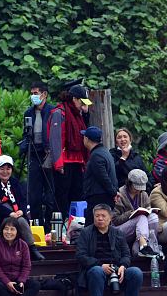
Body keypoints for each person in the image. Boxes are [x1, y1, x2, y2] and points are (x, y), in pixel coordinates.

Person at [74, 204, 144, 296]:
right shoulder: (86, 233)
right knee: (96, 271)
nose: (100, 218)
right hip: (95, 269)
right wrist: (100, 265)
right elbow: (81, 255)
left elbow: (126, 254)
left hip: (115, 269)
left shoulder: (118, 233)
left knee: (136, 272)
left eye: (103, 216)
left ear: (110, 218)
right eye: (97, 216)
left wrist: (123, 266)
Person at [0, 155, 44, 260]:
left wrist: (21, 211)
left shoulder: (14, 182)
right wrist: (9, 213)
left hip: (16, 215)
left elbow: (23, 199)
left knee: (22, 221)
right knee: (12, 222)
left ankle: (32, 249)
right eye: (2, 169)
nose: (5, 172)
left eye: (8, 169)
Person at [46, 84, 91, 217]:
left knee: (77, 195)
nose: (83, 105)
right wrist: (58, 164)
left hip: (77, 162)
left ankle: (75, 225)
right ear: (74, 99)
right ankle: (59, 228)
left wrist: (86, 114)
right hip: (64, 162)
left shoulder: (78, 115)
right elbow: (55, 140)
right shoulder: (59, 113)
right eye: (82, 102)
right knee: (61, 197)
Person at [21, 82, 57, 229]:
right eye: (32, 93)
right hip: (33, 153)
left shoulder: (52, 111)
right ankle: (36, 227)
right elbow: (25, 133)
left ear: (44, 94)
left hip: (48, 154)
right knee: (34, 194)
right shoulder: (28, 112)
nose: (33, 96)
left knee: (50, 194)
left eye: (36, 93)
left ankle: (49, 226)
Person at [0, 216, 40, 296]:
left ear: (17, 231)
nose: (9, 232)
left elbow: (26, 266)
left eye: (12, 229)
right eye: (6, 229)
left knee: (35, 285)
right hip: (2, 281)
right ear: (2, 230)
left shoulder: (23, 245)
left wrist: (21, 281)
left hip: (18, 280)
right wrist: (7, 282)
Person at [115, 169, 160, 258]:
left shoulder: (144, 194)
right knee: (141, 217)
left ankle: (146, 248)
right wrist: (131, 213)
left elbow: (147, 209)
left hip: (140, 231)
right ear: (129, 183)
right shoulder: (119, 195)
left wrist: (150, 211)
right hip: (120, 230)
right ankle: (143, 247)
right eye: (136, 187)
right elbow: (115, 220)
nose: (138, 190)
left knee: (153, 217)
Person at [81, 125, 119, 209]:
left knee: (93, 221)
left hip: (99, 198)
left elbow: (103, 177)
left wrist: (113, 193)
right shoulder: (104, 151)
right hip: (105, 196)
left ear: (87, 139)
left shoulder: (96, 155)